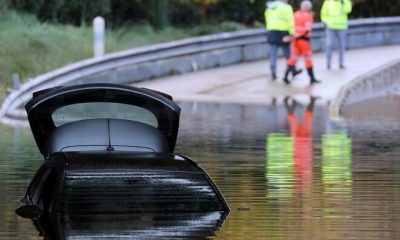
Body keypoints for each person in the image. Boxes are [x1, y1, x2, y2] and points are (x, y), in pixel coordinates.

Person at [283, 0, 320, 85]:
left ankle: (285, 77)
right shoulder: (308, 16)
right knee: (308, 59)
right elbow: (307, 29)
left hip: (295, 40)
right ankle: (312, 78)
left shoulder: (295, 14)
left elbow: (291, 25)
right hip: (303, 40)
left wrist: (293, 36)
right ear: (309, 7)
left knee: (293, 58)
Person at [265, 0, 300, 81]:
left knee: (273, 54)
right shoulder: (287, 7)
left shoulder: (270, 7)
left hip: (272, 32)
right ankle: (293, 69)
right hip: (283, 33)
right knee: (288, 54)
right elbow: (290, 21)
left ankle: (273, 72)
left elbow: (267, 19)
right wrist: (292, 33)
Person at [320, 0, 352, 69]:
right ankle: (328, 63)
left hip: (341, 27)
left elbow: (348, 10)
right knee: (329, 45)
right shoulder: (327, 2)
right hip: (330, 27)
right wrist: (326, 22)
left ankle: (341, 63)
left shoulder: (345, 1)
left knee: (341, 45)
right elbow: (323, 13)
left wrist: (342, 3)